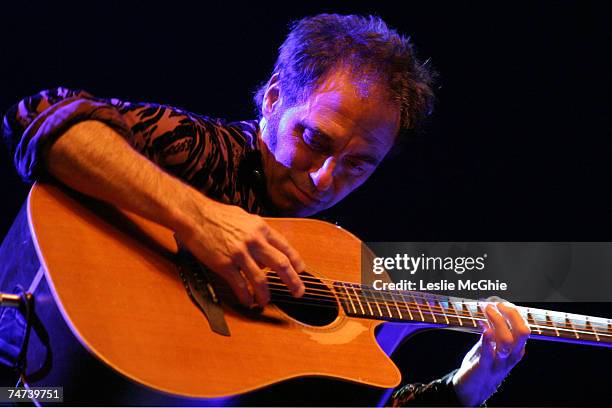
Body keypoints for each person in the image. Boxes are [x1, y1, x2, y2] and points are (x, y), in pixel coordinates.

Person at [2, 14, 529, 406]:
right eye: (314, 138)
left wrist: (471, 383)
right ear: (274, 99)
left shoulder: (332, 258)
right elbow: (38, 117)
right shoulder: (207, 151)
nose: (325, 177)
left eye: (358, 165)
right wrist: (200, 218)